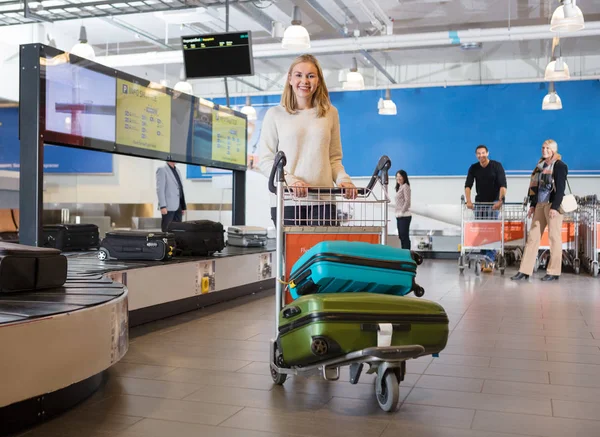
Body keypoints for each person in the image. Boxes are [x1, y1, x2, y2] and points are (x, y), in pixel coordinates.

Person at [257, 54, 356, 226]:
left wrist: (343, 180)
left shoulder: (330, 113)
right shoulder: (275, 114)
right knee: (292, 253)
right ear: (289, 79)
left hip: (323, 201)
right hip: (287, 201)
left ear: (318, 81)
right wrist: (291, 181)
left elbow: (334, 159)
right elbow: (266, 160)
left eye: (311, 76)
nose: (305, 81)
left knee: (323, 254)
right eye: (298, 75)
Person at [512, 139, 568, 282]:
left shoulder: (560, 166)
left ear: (553, 151)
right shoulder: (540, 166)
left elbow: (560, 189)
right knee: (532, 238)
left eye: (547, 148)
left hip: (552, 205)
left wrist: (555, 207)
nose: (544, 150)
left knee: (554, 238)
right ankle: (524, 270)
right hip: (540, 205)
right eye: (543, 147)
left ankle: (554, 271)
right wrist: (532, 205)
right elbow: (534, 188)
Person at [464, 145, 507, 270]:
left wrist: (500, 201)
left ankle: (490, 259)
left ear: (487, 153)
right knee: (482, 231)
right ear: (476, 155)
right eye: (478, 153)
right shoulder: (474, 168)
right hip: (480, 203)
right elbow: (468, 185)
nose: (481, 155)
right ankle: (484, 257)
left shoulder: (496, 166)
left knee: (491, 230)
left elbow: (503, 185)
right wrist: (469, 201)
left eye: (483, 153)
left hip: (493, 203)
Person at [156, 161, 186, 232]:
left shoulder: (177, 170)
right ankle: (165, 243)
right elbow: (160, 189)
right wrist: (162, 206)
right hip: (168, 207)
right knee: (167, 229)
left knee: (178, 230)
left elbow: (180, 189)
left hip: (178, 206)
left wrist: (183, 206)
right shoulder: (162, 169)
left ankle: (175, 243)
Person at [395, 170, 412, 249]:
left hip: (404, 216)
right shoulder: (400, 187)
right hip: (399, 216)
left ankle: (407, 254)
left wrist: (402, 212)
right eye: (397, 176)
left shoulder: (405, 186)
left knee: (404, 236)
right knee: (401, 236)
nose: (398, 178)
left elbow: (407, 201)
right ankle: (403, 253)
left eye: (400, 176)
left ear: (404, 177)